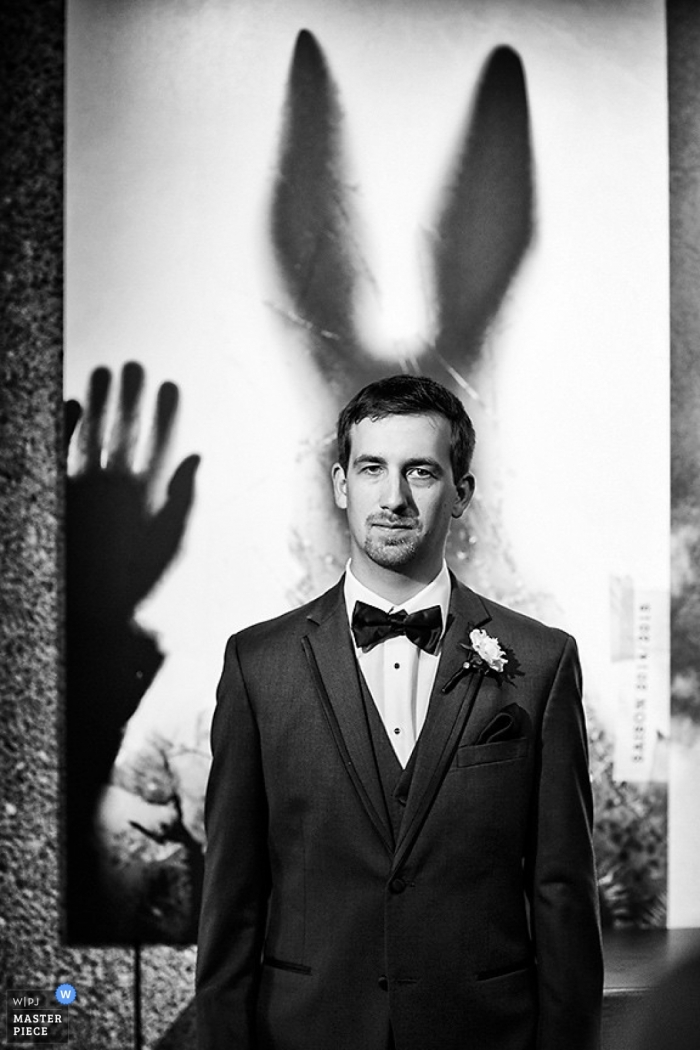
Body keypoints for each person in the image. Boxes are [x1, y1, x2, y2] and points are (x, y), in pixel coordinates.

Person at [195, 374, 603, 1050]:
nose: (393, 498)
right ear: (339, 484)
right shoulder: (256, 666)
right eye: (371, 469)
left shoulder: (542, 661)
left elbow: (563, 896)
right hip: (305, 1032)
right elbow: (230, 904)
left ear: (462, 492)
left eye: (421, 472)